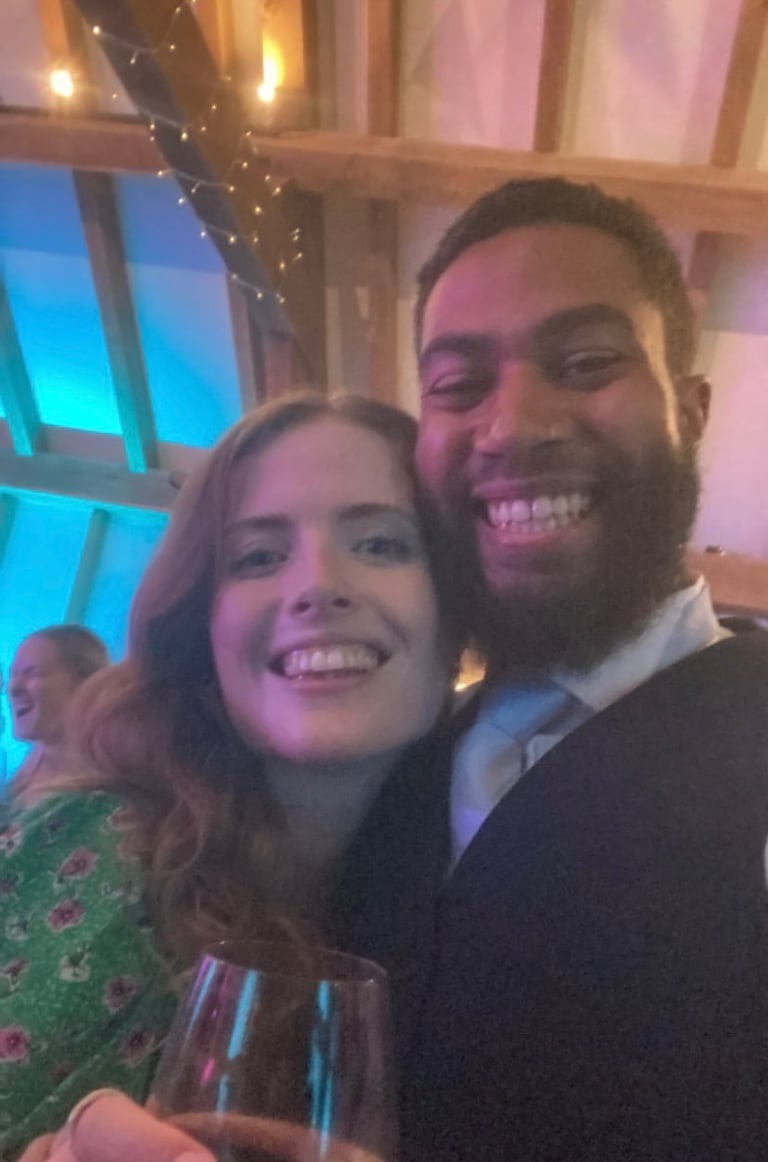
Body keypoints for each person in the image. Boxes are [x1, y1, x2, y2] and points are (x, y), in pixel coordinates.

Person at [27, 177, 768, 1162]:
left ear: (692, 409)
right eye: (458, 386)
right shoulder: (369, 794)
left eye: (588, 362)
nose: (515, 424)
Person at [7, 391, 462, 1162]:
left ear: (458, 609)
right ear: (202, 628)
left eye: (381, 544)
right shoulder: (98, 849)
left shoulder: (468, 900)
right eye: (258, 557)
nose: (317, 585)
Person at [7, 626, 109, 806]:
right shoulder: (27, 771)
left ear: (85, 684)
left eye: (32, 673)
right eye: (13, 675)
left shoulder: (111, 790)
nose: (13, 688)